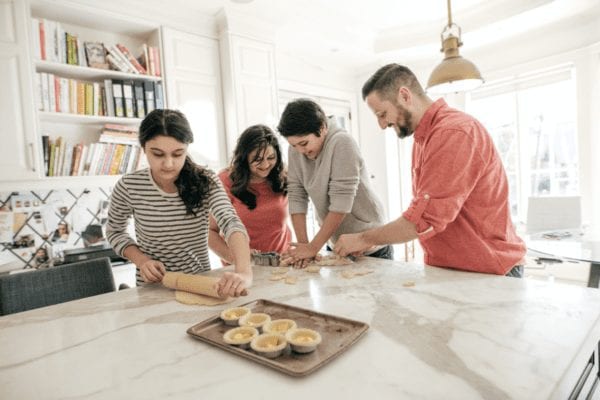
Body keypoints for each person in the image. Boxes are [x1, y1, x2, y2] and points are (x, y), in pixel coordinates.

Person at [334, 63, 526, 277]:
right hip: (455, 270)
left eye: (382, 113)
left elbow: (423, 221)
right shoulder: (423, 138)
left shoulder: (454, 133)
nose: (381, 124)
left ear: (405, 95)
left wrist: (363, 238)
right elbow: (421, 210)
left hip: (489, 270)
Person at [106, 109, 252, 296]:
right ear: (143, 148)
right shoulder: (128, 186)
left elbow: (230, 221)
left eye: (177, 154)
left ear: (187, 149)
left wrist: (244, 272)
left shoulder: (206, 180)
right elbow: (115, 231)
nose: (168, 164)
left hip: (201, 285)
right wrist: (142, 261)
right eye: (158, 154)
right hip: (153, 287)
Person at [277, 98, 393, 267]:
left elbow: (341, 203)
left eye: (304, 143)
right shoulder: (296, 150)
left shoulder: (342, 143)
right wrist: (305, 246)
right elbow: (296, 195)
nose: (300, 151)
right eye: (294, 145)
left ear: (322, 128)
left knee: (373, 293)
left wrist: (313, 247)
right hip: (336, 241)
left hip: (369, 243)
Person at [209, 124, 292, 262]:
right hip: (241, 267)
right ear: (244, 158)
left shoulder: (283, 176)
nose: (265, 165)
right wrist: (236, 258)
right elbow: (210, 232)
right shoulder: (225, 181)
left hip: (282, 264)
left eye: (271, 157)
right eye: (257, 159)